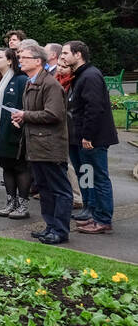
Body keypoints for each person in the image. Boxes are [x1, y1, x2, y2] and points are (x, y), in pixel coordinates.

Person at [11, 41, 70, 244]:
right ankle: (50, 226)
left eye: (24, 58)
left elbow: (54, 114)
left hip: (50, 147)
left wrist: (25, 115)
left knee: (58, 189)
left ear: (37, 61)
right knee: (44, 188)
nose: (20, 60)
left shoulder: (50, 84)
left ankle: (60, 230)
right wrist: (22, 118)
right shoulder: (31, 81)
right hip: (37, 145)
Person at [61, 40, 116, 235]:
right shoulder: (81, 75)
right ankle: (93, 212)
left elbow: (94, 108)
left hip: (94, 138)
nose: (63, 56)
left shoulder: (90, 76)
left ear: (78, 55)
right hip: (82, 136)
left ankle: (103, 219)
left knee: (99, 177)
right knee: (87, 175)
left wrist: (87, 136)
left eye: (66, 53)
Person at [0, 47, 30, 219]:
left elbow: (27, 104)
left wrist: (21, 121)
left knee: (20, 168)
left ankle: (23, 205)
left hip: (14, 131)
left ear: (10, 60)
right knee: (6, 168)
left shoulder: (21, 79)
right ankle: (11, 202)